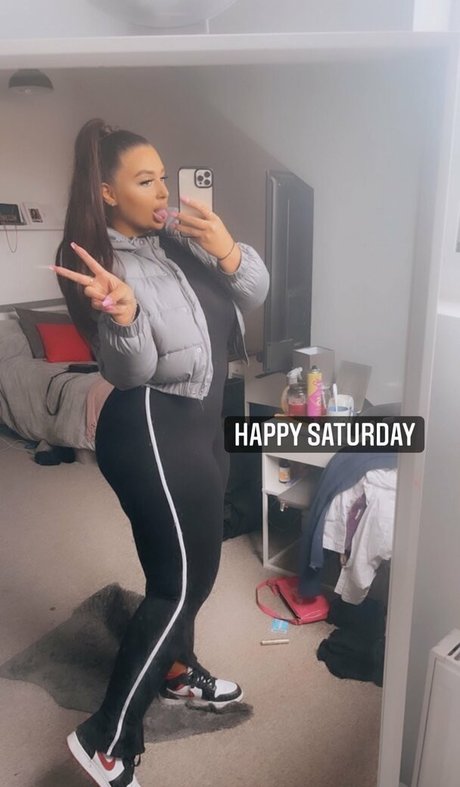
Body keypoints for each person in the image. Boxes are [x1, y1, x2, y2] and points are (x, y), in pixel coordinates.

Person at [51, 117, 270, 787]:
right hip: (152, 426)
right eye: (144, 181)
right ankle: (107, 739)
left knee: (182, 568)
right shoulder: (102, 262)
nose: (162, 192)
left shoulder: (177, 237)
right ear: (107, 192)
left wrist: (228, 250)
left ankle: (176, 669)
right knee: (184, 583)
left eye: (163, 178)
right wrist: (121, 317)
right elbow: (132, 370)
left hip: (202, 420)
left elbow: (252, 294)